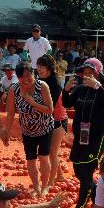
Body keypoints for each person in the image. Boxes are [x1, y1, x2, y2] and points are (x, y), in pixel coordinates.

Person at [62, 57, 104, 208]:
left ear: (97, 74)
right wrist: (66, 90)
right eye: (84, 73)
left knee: (86, 172)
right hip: (79, 137)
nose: (86, 76)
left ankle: (80, 206)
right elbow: (66, 104)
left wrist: (98, 87)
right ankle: (98, 197)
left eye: (90, 73)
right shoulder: (80, 89)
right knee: (78, 170)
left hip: (95, 139)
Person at [6, 63, 55, 196]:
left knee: (43, 157)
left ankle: (45, 186)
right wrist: (7, 132)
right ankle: (36, 187)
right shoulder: (13, 90)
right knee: (31, 160)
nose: (27, 79)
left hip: (45, 128)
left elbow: (50, 110)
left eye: (29, 75)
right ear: (18, 77)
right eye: (23, 77)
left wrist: (32, 102)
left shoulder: (42, 86)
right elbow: (10, 113)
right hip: (27, 131)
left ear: (33, 74)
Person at [36, 55, 68, 186]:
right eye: (37, 66)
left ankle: (50, 182)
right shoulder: (40, 81)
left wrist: (32, 104)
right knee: (51, 151)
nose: (38, 69)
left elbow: (50, 107)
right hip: (48, 120)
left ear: (49, 68)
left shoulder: (54, 84)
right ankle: (59, 175)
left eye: (41, 66)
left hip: (58, 120)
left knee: (52, 153)